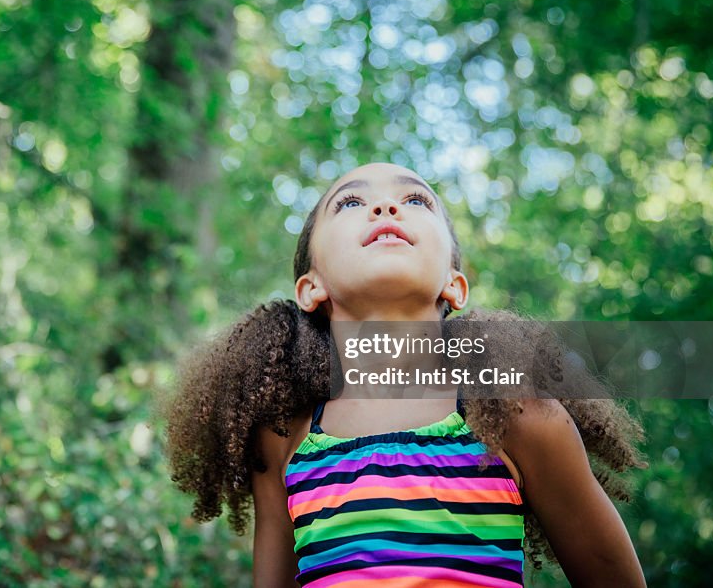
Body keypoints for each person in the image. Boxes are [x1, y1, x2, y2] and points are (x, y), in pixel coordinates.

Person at [164, 162, 646, 587]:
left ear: (453, 285)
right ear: (312, 287)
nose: (386, 208)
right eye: (351, 202)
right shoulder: (284, 436)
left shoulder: (513, 411)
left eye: (416, 199)